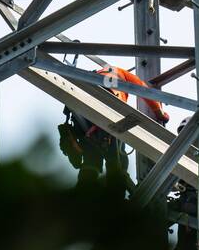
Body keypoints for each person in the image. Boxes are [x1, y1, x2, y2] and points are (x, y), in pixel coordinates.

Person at [58, 65, 169, 195]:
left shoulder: (92, 77)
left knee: (91, 161)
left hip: (84, 119)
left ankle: (82, 196)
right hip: (109, 113)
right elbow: (142, 89)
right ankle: (115, 199)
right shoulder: (119, 72)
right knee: (116, 160)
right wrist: (159, 113)